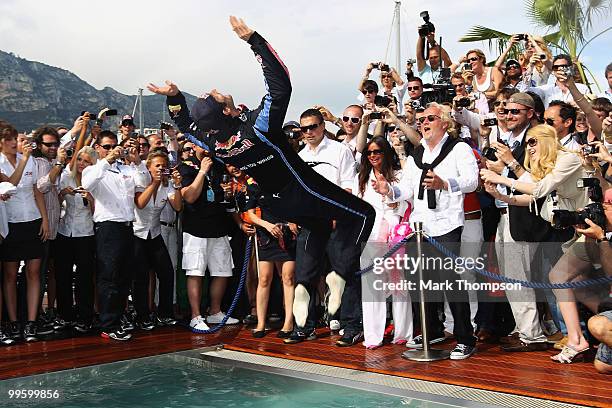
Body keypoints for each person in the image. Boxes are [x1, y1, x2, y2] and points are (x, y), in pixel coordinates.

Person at [147, 17, 375, 342]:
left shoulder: (214, 143)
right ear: (225, 112)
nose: (214, 90)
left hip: (279, 205)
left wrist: (174, 97)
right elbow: (281, 86)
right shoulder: (258, 127)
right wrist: (255, 41)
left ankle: (303, 324)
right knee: (363, 218)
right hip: (301, 191)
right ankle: (350, 305)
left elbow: (185, 126)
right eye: (214, 96)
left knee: (308, 262)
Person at [372, 103, 479, 359]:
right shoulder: (415, 156)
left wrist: (444, 183)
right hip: (420, 226)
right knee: (421, 281)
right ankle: (432, 331)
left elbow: (472, 182)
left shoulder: (459, 149)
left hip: (446, 223)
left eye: (430, 118)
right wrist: (390, 191)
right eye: (420, 120)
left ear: (445, 122)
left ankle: (466, 338)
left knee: (452, 283)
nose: (423, 123)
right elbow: (407, 190)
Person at [82, 130, 147, 341]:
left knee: (123, 277)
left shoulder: (126, 168)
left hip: (127, 227)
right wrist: (106, 161)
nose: (111, 150)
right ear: (98, 148)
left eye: (114, 146)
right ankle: (108, 324)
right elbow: (87, 185)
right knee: (109, 277)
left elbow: (143, 184)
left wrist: (137, 162)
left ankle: (117, 320)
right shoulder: (93, 169)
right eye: (107, 147)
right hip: (108, 227)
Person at [355, 136, 412, 349]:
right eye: (369, 153)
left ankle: (403, 333)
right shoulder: (360, 177)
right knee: (372, 287)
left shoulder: (399, 176)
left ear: (386, 153)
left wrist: (389, 195)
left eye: (377, 151)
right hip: (370, 235)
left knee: (399, 285)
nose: (373, 156)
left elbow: (408, 202)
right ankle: (373, 336)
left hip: (396, 235)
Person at [0, 123, 49, 342]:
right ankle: (12, 321)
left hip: (32, 220)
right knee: (9, 274)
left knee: (34, 272)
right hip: (10, 223)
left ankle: (31, 322)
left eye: (14, 138)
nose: (13, 142)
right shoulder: (3, 163)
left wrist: (45, 220)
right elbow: (10, 183)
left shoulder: (28, 160)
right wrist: (24, 159)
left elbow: (36, 191)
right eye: (9, 139)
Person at [132, 150, 183, 329]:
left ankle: (165, 313)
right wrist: (154, 183)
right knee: (141, 277)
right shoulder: (140, 181)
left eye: (164, 166)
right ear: (149, 167)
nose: (161, 169)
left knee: (167, 273)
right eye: (157, 166)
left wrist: (176, 186)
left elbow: (177, 206)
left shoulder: (167, 185)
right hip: (137, 234)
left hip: (154, 234)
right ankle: (142, 316)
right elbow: (140, 203)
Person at [245, 179, 296, 338]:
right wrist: (266, 225)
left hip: (286, 234)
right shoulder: (253, 183)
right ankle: (261, 323)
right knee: (264, 279)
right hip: (266, 235)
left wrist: (293, 221)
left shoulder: (286, 178)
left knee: (287, 278)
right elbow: (250, 214)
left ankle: (288, 321)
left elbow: (297, 203)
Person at [54, 147, 97, 333]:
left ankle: (85, 316)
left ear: (93, 164)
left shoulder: (95, 183)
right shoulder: (66, 177)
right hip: (65, 231)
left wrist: (91, 200)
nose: (81, 164)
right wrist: (62, 194)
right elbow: (54, 205)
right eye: (79, 159)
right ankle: (65, 315)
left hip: (86, 233)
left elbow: (102, 213)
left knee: (84, 278)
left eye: (86, 161)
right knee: (62, 274)